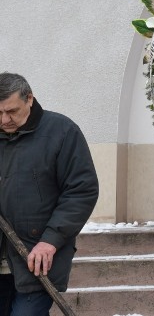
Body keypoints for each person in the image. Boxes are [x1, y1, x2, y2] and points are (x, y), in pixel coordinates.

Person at [0, 72, 99, 315]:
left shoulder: (61, 132)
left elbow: (81, 190)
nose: (4, 120)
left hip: (36, 258)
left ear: (30, 99)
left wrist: (50, 240)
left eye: (11, 111)